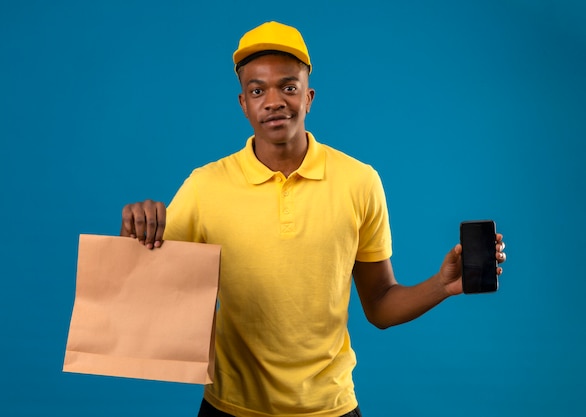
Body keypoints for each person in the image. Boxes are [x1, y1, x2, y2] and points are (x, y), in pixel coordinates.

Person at [120, 21, 507, 417]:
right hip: (230, 407)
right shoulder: (205, 186)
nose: (273, 101)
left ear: (309, 97)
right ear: (243, 103)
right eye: (257, 90)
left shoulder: (359, 181)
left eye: (288, 87)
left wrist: (442, 285)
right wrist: (134, 231)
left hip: (331, 408)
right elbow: (145, 289)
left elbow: (379, 305)